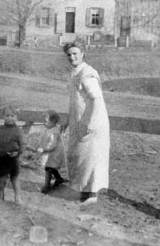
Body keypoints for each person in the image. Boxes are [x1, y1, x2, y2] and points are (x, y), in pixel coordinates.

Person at [62, 42, 110, 205]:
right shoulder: (75, 73)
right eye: (69, 54)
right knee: (80, 155)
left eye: (75, 53)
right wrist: (67, 121)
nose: (72, 57)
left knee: (91, 157)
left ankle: (92, 195)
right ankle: (83, 190)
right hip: (79, 120)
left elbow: (96, 100)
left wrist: (91, 122)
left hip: (92, 121)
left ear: (83, 54)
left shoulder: (87, 74)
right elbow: (75, 102)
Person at [0, 105, 26, 204]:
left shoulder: (19, 131)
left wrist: (17, 152)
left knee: (14, 178)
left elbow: (23, 145)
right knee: (2, 178)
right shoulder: (0, 129)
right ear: (3, 116)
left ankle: (18, 197)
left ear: (16, 117)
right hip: (2, 158)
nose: (10, 118)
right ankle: (0, 195)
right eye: (7, 115)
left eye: (12, 116)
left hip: (13, 159)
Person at [28, 110, 66, 194]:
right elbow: (44, 139)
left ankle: (47, 185)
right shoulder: (48, 129)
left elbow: (52, 144)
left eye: (45, 121)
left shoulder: (54, 132)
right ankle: (59, 178)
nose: (43, 123)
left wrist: (44, 149)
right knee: (51, 167)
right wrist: (40, 145)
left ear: (52, 122)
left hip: (54, 152)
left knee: (48, 168)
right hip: (50, 152)